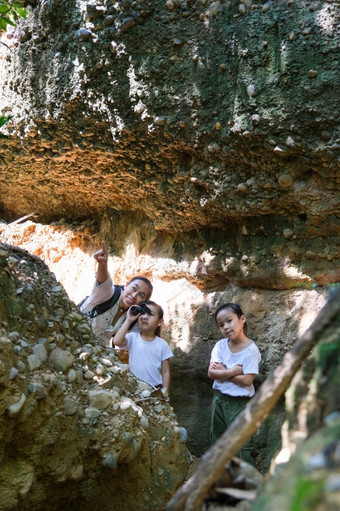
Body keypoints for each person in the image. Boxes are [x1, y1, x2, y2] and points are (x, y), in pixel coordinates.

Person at [208, 302, 261, 462]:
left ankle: (244, 482)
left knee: (240, 443)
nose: (225, 327)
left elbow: (247, 380)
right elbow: (211, 373)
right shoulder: (220, 346)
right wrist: (232, 371)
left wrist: (223, 372)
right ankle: (220, 478)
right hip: (219, 399)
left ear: (242, 319)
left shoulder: (251, 351)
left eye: (229, 321)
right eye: (221, 324)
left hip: (240, 404)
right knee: (217, 438)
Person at [80, 241, 153, 346]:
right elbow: (104, 282)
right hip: (76, 333)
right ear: (126, 285)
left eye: (141, 295)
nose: (134, 296)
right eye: (133, 289)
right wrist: (103, 264)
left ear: (144, 301)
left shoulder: (133, 317)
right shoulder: (109, 294)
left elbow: (126, 342)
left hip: (98, 349)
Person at [114, 300, 173, 390]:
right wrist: (129, 320)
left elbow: (165, 371)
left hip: (155, 389)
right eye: (142, 313)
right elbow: (117, 341)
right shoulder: (133, 337)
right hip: (135, 387)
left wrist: (165, 391)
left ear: (160, 322)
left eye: (151, 314)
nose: (145, 317)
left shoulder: (162, 344)